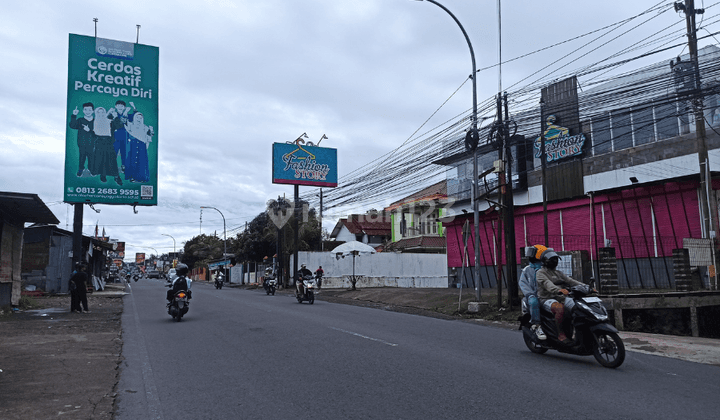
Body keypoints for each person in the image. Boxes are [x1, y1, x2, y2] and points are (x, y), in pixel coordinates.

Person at [536, 248, 583, 345]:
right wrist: (559, 290)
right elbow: (548, 284)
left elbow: (571, 281)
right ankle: (561, 334)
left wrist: (586, 287)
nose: (554, 261)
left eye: (556, 259)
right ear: (545, 261)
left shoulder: (558, 273)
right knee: (559, 308)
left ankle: (575, 331)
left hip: (560, 298)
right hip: (546, 299)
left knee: (578, 307)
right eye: (552, 259)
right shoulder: (540, 273)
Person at [519, 245, 547, 340]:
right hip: (532, 296)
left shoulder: (546, 268)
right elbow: (523, 283)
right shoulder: (527, 269)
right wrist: (530, 294)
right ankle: (537, 325)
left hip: (545, 295)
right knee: (534, 302)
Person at [90, 107, 122, 185]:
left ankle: (116, 176)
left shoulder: (110, 122)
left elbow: (119, 126)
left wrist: (116, 117)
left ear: (105, 113)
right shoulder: (94, 122)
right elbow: (92, 134)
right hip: (99, 143)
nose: (101, 114)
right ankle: (103, 175)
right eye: (99, 113)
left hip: (109, 143)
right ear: (96, 114)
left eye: (102, 112)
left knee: (112, 160)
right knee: (100, 160)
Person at [69, 103, 95, 176]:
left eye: (90, 109)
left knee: (91, 158)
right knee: (82, 157)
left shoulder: (95, 121)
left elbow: (97, 134)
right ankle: (81, 169)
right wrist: (74, 115)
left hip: (92, 145)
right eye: (85, 109)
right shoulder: (80, 120)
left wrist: (89, 130)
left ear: (93, 111)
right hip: (82, 144)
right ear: (83, 111)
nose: (87, 111)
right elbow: (72, 125)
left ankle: (91, 169)